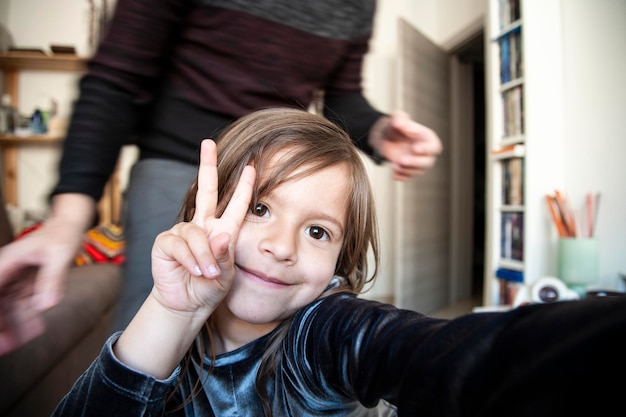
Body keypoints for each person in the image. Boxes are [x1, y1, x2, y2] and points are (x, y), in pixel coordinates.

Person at [51, 108, 625, 417]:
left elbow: (448, 358)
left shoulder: (319, 332)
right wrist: (171, 312)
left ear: (338, 270)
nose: (282, 246)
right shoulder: (160, 336)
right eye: (258, 208)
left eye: (319, 231)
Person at [0, 0, 443, 353]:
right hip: (182, 166)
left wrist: (382, 132)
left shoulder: (356, 6)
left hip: (279, 173)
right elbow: (116, 78)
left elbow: (343, 99)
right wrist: (66, 221)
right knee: (155, 331)